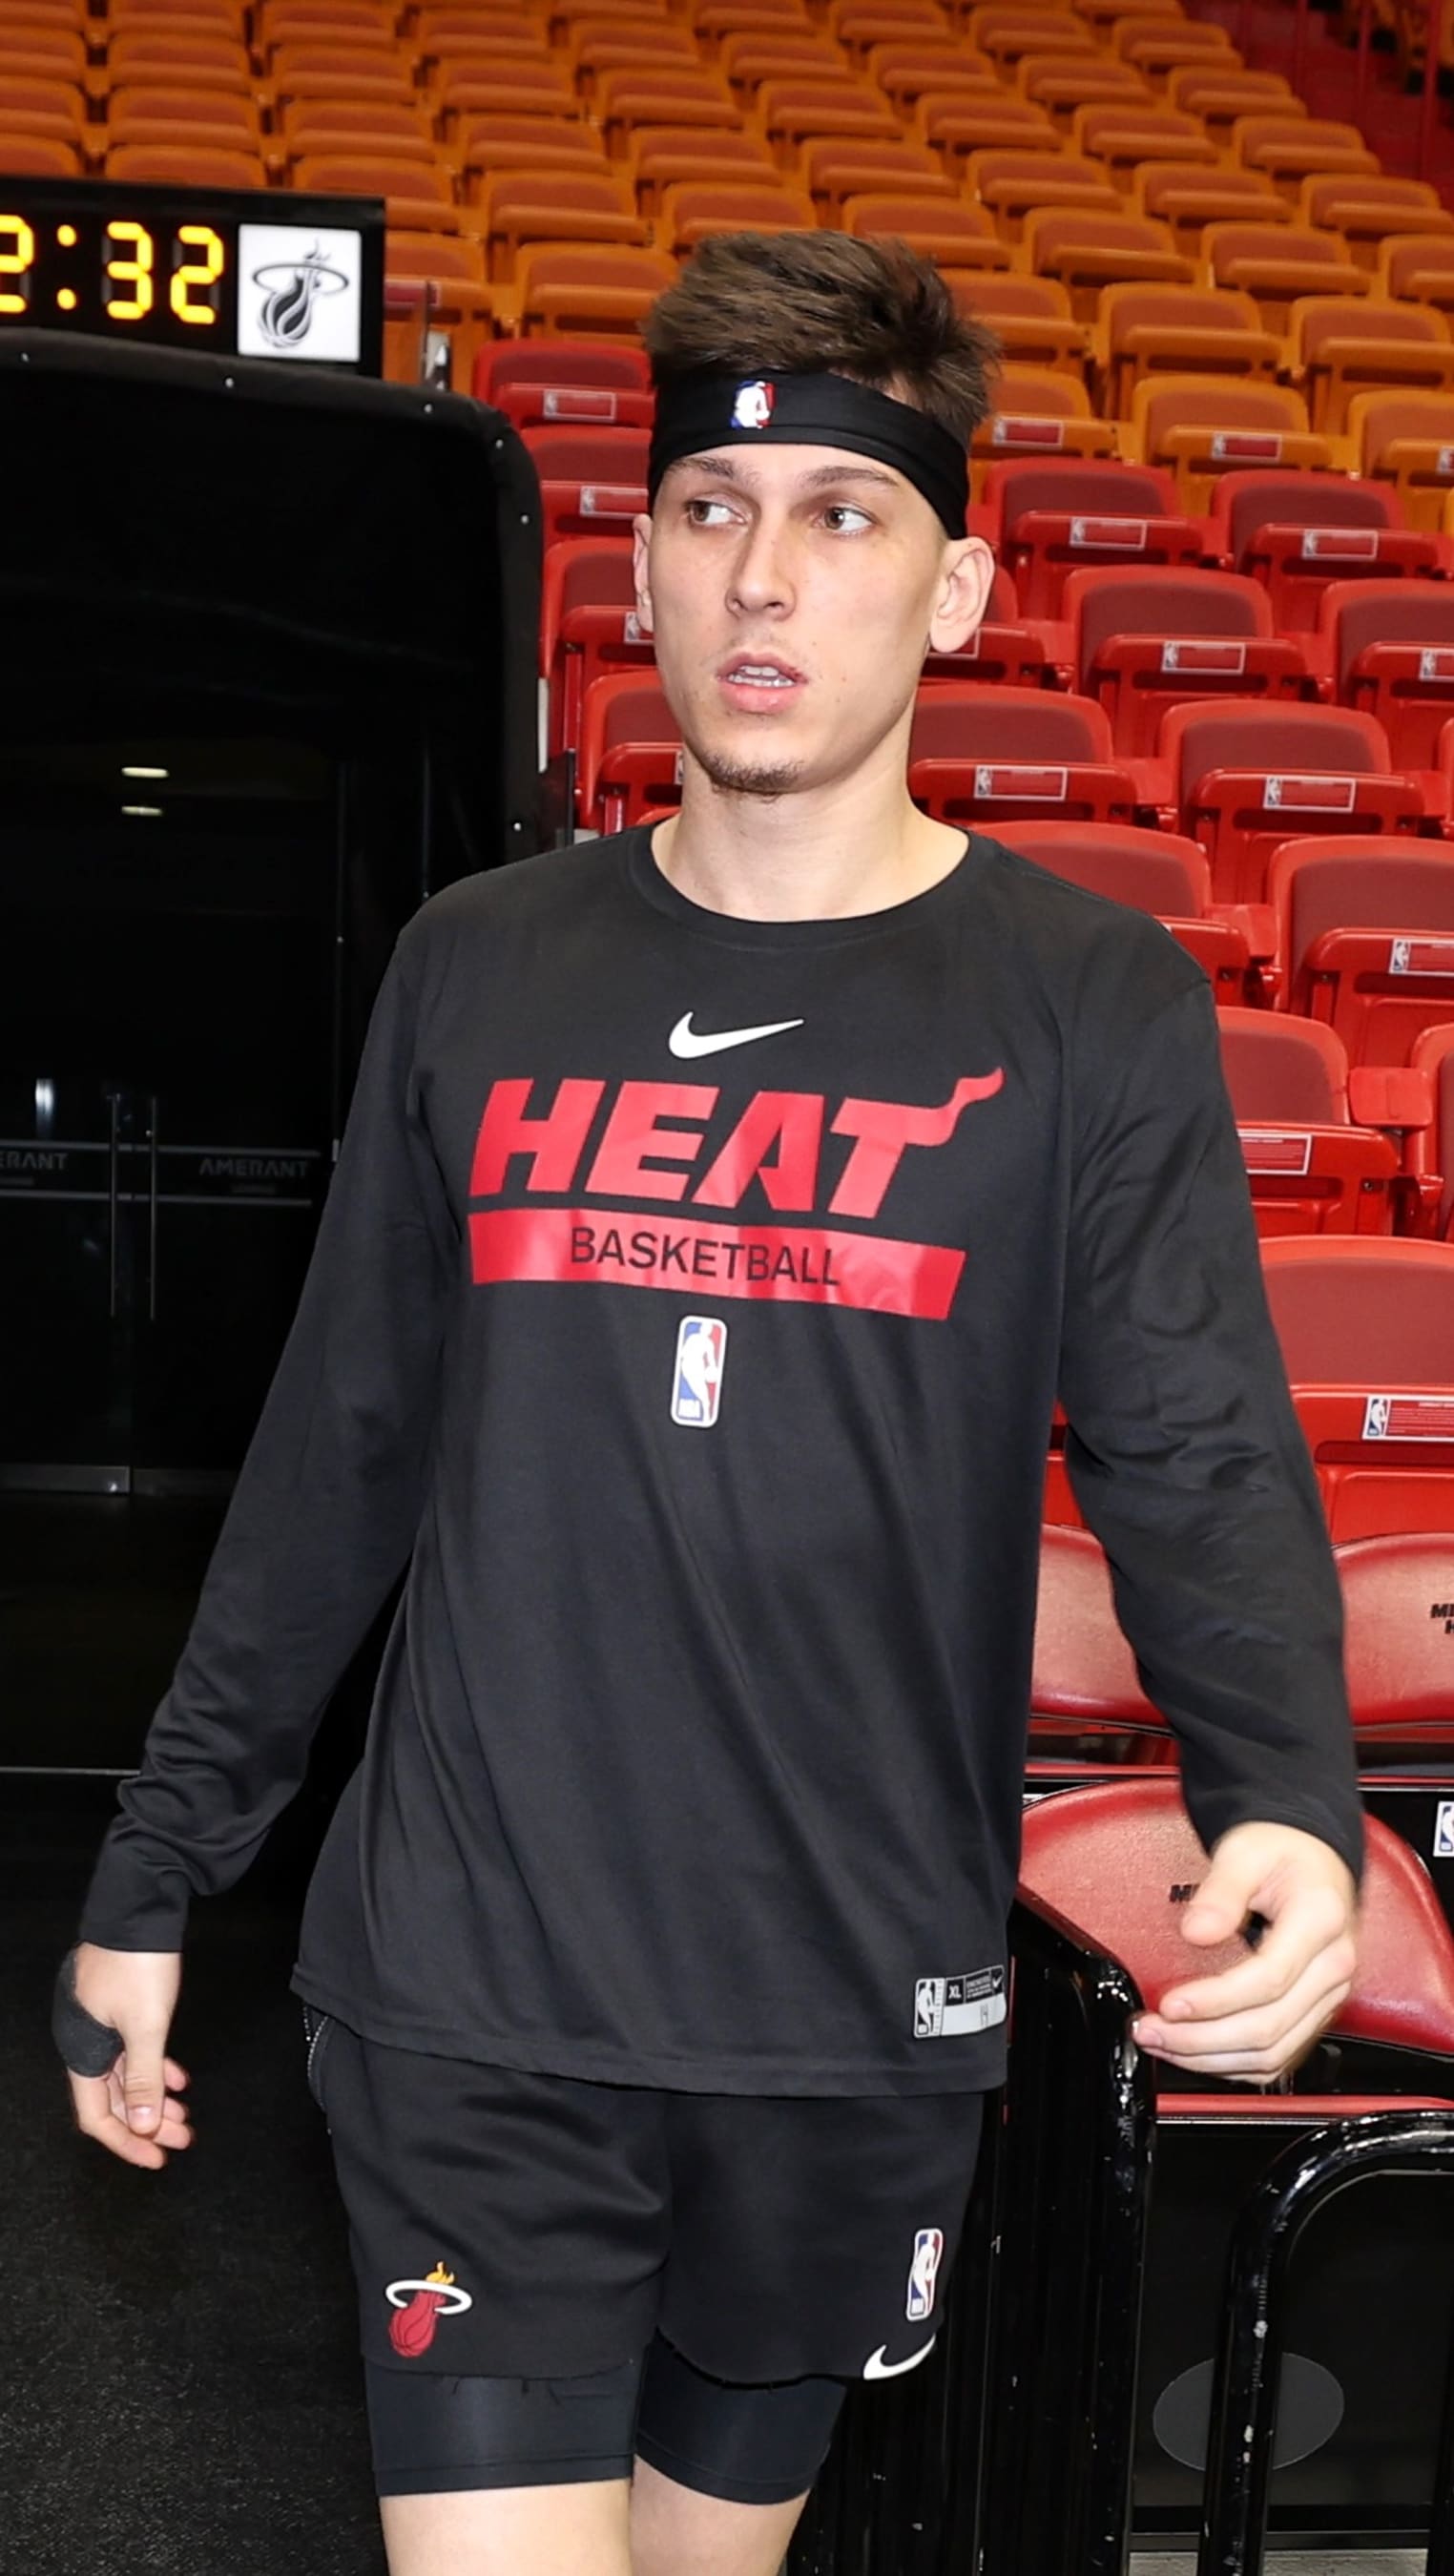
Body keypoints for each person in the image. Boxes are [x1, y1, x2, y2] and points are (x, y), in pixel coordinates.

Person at [52, 231, 1364, 2576]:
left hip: (850, 2002)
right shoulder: (483, 966)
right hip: (477, 1980)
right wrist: (162, 1859)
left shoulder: (1093, 1008)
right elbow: (341, 1449)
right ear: (642, 569)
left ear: (955, 592)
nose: (765, 578)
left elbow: (1189, 1437)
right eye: (708, 518)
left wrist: (1286, 1792)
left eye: (843, 521)